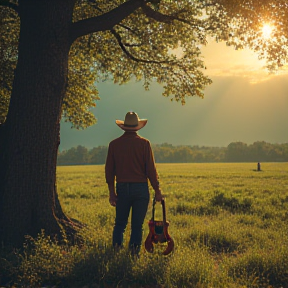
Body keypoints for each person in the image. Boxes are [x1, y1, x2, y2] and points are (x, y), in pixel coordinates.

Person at [105, 111, 163, 255]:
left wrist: (112, 192)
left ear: (124, 127)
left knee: (120, 224)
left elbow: (109, 171)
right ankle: (133, 254)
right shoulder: (144, 144)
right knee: (137, 226)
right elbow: (151, 170)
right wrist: (157, 190)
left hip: (122, 188)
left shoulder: (114, 144)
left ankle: (116, 251)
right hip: (141, 189)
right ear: (137, 127)